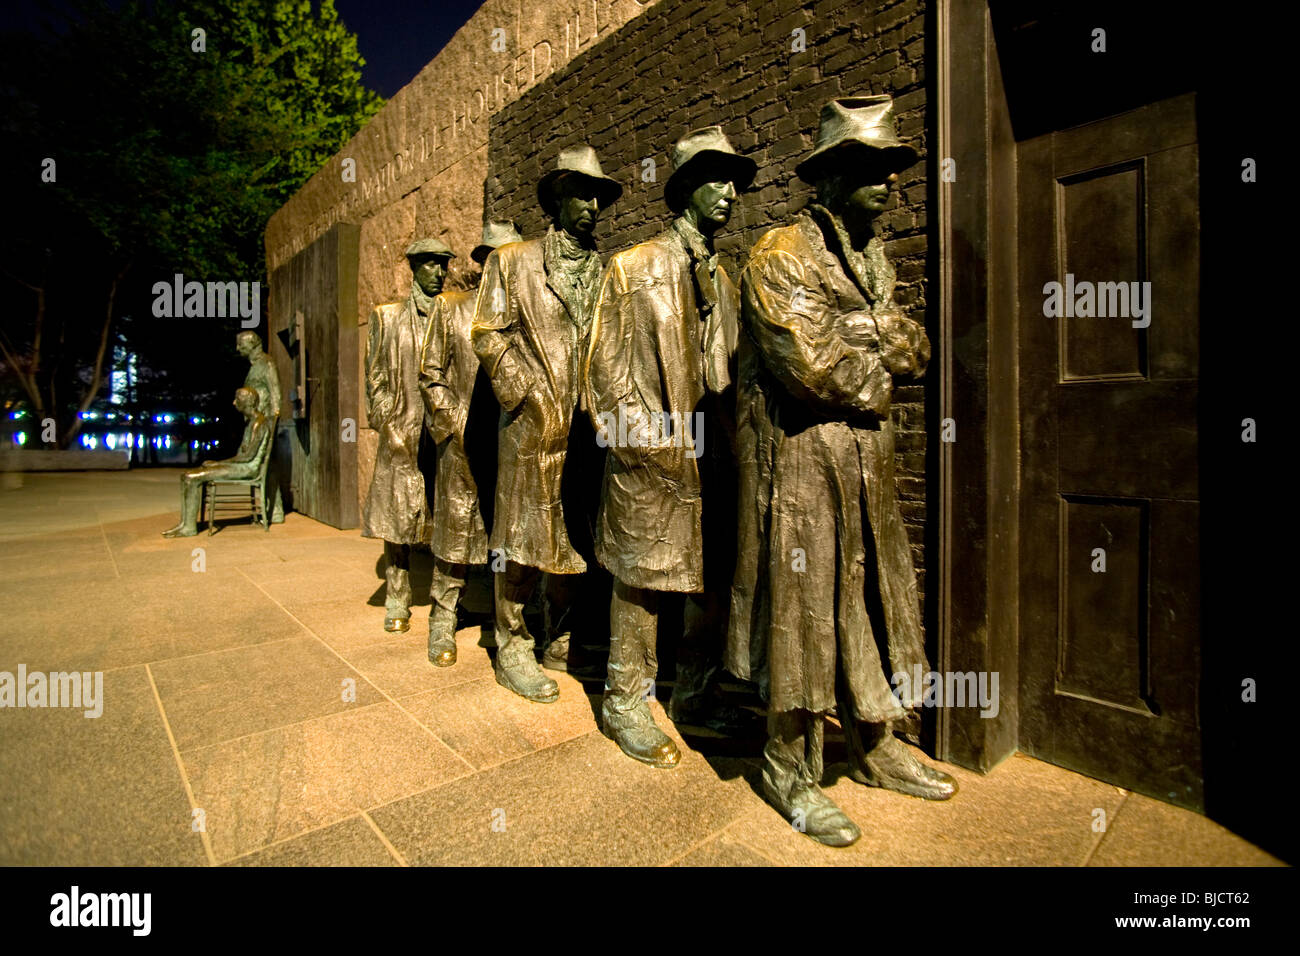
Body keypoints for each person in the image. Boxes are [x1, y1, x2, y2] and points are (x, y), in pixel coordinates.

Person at [728, 96, 956, 847]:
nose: (888, 184)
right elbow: (810, 366)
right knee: (802, 606)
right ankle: (787, 763)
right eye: (868, 168)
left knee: (869, 595)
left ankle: (874, 742)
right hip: (802, 458)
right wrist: (875, 348)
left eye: (891, 169)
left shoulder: (876, 259)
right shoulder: (778, 252)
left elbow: (917, 350)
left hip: (867, 457)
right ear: (826, 179)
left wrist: (871, 335)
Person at [584, 127, 758, 767]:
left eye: (734, 181)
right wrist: (650, 444)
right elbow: (604, 374)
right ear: (685, 189)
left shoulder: (725, 276)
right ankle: (624, 700)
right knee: (641, 580)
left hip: (713, 448)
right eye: (717, 180)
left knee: (709, 575)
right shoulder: (636, 267)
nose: (730, 194)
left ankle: (695, 693)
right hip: (653, 453)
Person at [471, 146, 621, 703]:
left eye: (597, 197)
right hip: (534, 424)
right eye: (580, 194)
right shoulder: (512, 261)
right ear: (556, 199)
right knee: (521, 535)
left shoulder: (610, 270)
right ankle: (511, 643)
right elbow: (488, 331)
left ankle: (558, 638)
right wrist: (525, 393)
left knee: (574, 536)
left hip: (591, 427)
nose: (590, 206)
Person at [417, 220, 522, 666]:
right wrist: (450, 424)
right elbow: (430, 373)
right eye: (493, 259)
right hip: (461, 441)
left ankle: (512, 625)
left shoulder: (525, 313)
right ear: (482, 264)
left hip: (511, 445)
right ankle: (442, 616)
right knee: (455, 532)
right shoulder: (452, 307)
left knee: (507, 537)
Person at [362, 238, 454, 633]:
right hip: (401, 429)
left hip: (442, 432)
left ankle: (444, 603)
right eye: (431, 265)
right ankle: (398, 596)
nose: (439, 272)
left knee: (447, 514)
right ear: (414, 268)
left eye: (443, 265)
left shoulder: (451, 314)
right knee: (397, 515)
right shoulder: (387, 316)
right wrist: (387, 420)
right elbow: (375, 375)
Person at [161, 387, 271, 537]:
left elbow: (247, 457)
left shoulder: (259, 423)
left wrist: (219, 464)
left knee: (191, 477)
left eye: (237, 399)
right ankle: (184, 523)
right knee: (186, 475)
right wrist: (218, 463)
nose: (234, 403)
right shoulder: (251, 422)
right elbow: (243, 454)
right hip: (241, 464)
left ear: (247, 402)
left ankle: (189, 527)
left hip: (247, 468)